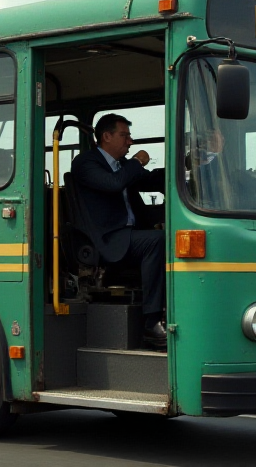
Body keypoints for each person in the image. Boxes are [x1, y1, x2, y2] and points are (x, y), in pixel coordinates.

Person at [70, 114, 167, 348]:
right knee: (157, 241)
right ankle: (151, 323)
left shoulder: (122, 165)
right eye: (124, 135)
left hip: (129, 235)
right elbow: (113, 184)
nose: (130, 141)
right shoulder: (85, 163)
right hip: (107, 239)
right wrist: (137, 162)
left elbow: (151, 181)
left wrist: (187, 165)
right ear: (106, 136)